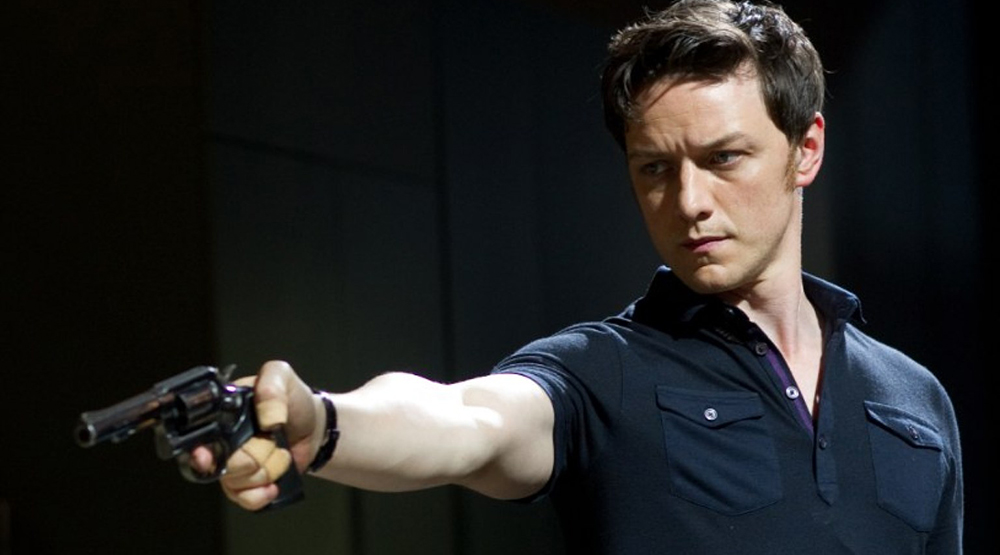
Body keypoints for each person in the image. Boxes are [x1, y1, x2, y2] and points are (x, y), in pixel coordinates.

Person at [193, 0, 963, 552]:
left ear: (806, 149)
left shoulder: (915, 400)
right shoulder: (604, 371)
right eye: (655, 168)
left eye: (724, 158)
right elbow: (468, 420)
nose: (689, 201)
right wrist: (326, 423)